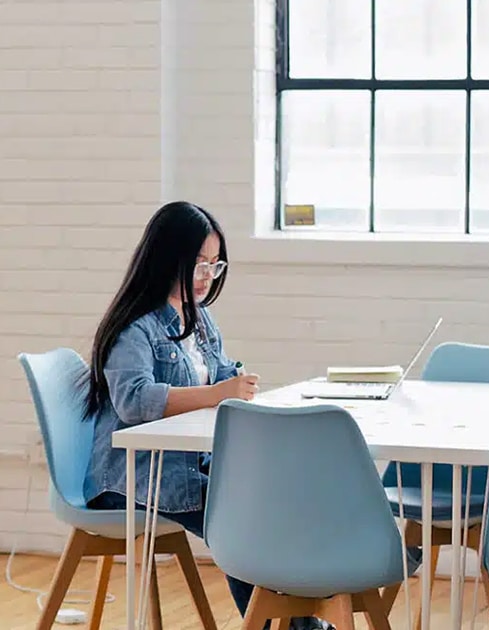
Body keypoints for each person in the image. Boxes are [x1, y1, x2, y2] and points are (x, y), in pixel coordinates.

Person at [82, 202, 330, 630]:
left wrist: (235, 386)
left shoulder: (199, 320)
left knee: (274, 501)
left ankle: (305, 620)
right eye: (198, 265)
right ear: (166, 258)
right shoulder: (135, 327)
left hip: (188, 467)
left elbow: (220, 376)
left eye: (214, 267)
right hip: (133, 478)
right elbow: (132, 400)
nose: (205, 277)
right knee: (242, 519)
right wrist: (215, 393)